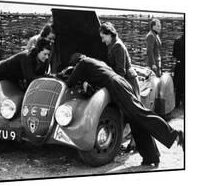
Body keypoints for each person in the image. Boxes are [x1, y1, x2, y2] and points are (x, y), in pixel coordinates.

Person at [66, 53, 184, 167]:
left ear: (76, 63)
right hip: (121, 83)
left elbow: (71, 82)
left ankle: (176, 135)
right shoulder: (95, 62)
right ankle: (151, 156)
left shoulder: (83, 63)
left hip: (116, 86)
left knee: (140, 114)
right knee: (135, 120)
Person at [99, 22, 140, 152]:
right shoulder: (111, 44)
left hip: (128, 81)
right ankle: (130, 143)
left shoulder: (118, 46)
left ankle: (136, 144)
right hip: (123, 81)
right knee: (127, 113)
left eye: (103, 36)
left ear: (109, 34)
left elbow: (120, 71)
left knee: (134, 113)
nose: (102, 40)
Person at [173, 34, 185, 108]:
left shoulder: (177, 40)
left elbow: (174, 54)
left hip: (180, 64)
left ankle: (177, 103)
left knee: (179, 84)